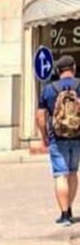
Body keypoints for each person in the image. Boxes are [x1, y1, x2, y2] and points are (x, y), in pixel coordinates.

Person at [36, 53, 80, 226]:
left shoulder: (49, 89)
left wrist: (44, 136)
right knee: (73, 173)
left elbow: (40, 117)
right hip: (77, 136)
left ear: (58, 70)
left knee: (61, 174)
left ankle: (64, 215)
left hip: (57, 137)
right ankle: (70, 208)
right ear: (74, 68)